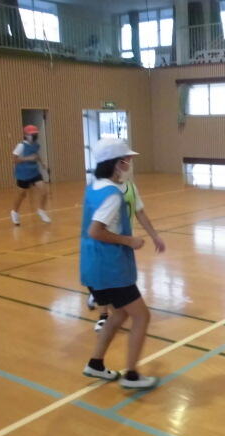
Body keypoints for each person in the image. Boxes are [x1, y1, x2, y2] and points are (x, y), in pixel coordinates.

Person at [80, 138, 158, 389]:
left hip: (92, 266)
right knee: (142, 316)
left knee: (120, 314)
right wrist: (129, 241)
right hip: (110, 268)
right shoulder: (113, 195)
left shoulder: (93, 187)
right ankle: (132, 375)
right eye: (126, 159)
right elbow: (95, 230)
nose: (129, 163)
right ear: (115, 163)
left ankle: (96, 363)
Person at [89, 179, 166, 332]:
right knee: (106, 280)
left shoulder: (130, 187)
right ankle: (103, 315)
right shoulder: (103, 188)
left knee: (119, 281)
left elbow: (140, 212)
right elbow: (94, 224)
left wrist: (155, 236)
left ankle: (99, 295)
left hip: (124, 242)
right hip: (106, 241)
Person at [11, 125, 51, 225]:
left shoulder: (36, 145)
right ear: (26, 135)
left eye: (35, 134)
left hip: (34, 172)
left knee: (44, 191)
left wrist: (42, 163)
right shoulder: (21, 146)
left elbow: (36, 155)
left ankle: (41, 210)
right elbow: (14, 160)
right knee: (22, 195)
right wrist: (28, 158)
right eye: (32, 134)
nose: (34, 136)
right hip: (23, 174)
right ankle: (14, 212)